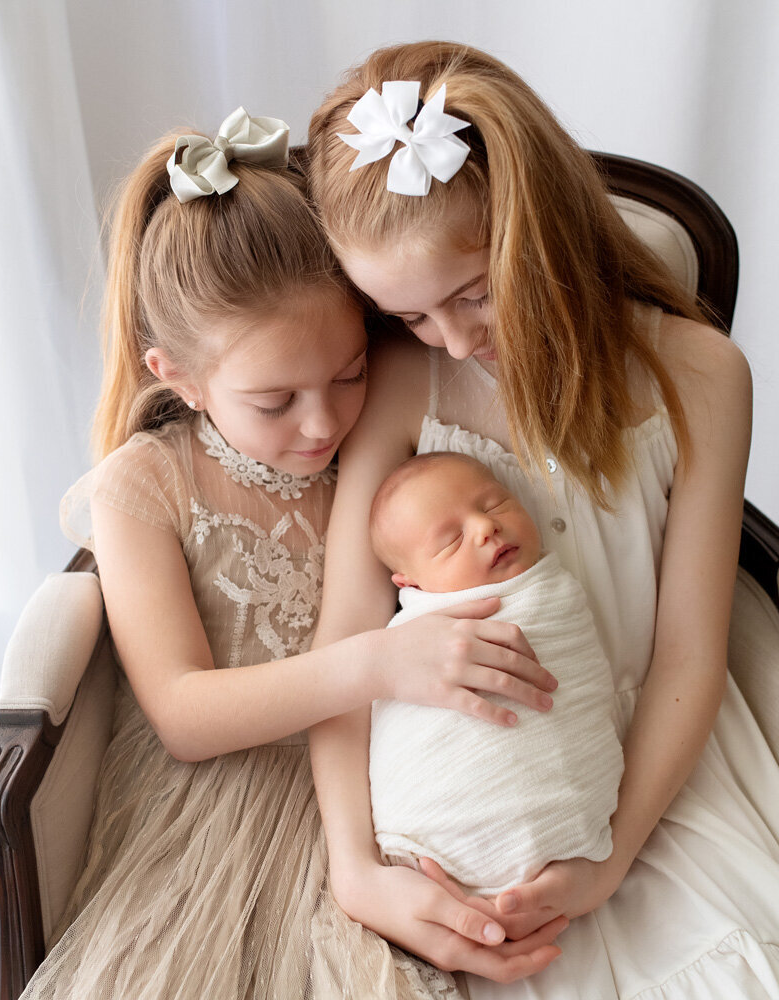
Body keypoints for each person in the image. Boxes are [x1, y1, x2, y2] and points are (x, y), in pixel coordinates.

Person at [20, 107, 564, 1000]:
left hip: (385, 773)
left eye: (349, 374)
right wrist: (380, 662)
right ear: (178, 378)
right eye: (275, 401)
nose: (322, 424)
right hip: (225, 809)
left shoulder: (376, 436)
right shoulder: (143, 489)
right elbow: (185, 715)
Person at [306, 41, 779, 997]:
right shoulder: (403, 384)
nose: (453, 339)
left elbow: (690, 652)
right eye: (411, 317)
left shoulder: (700, 376)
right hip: (463, 773)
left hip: (654, 759)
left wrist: (607, 857)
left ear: (545, 231)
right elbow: (348, 642)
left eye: (473, 293)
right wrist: (358, 874)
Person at [368, 451, 624, 898]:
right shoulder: (412, 633)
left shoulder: (553, 591)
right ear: (410, 584)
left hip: (587, 840)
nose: (485, 527)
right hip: (437, 845)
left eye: (493, 505)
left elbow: (585, 688)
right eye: (450, 541)